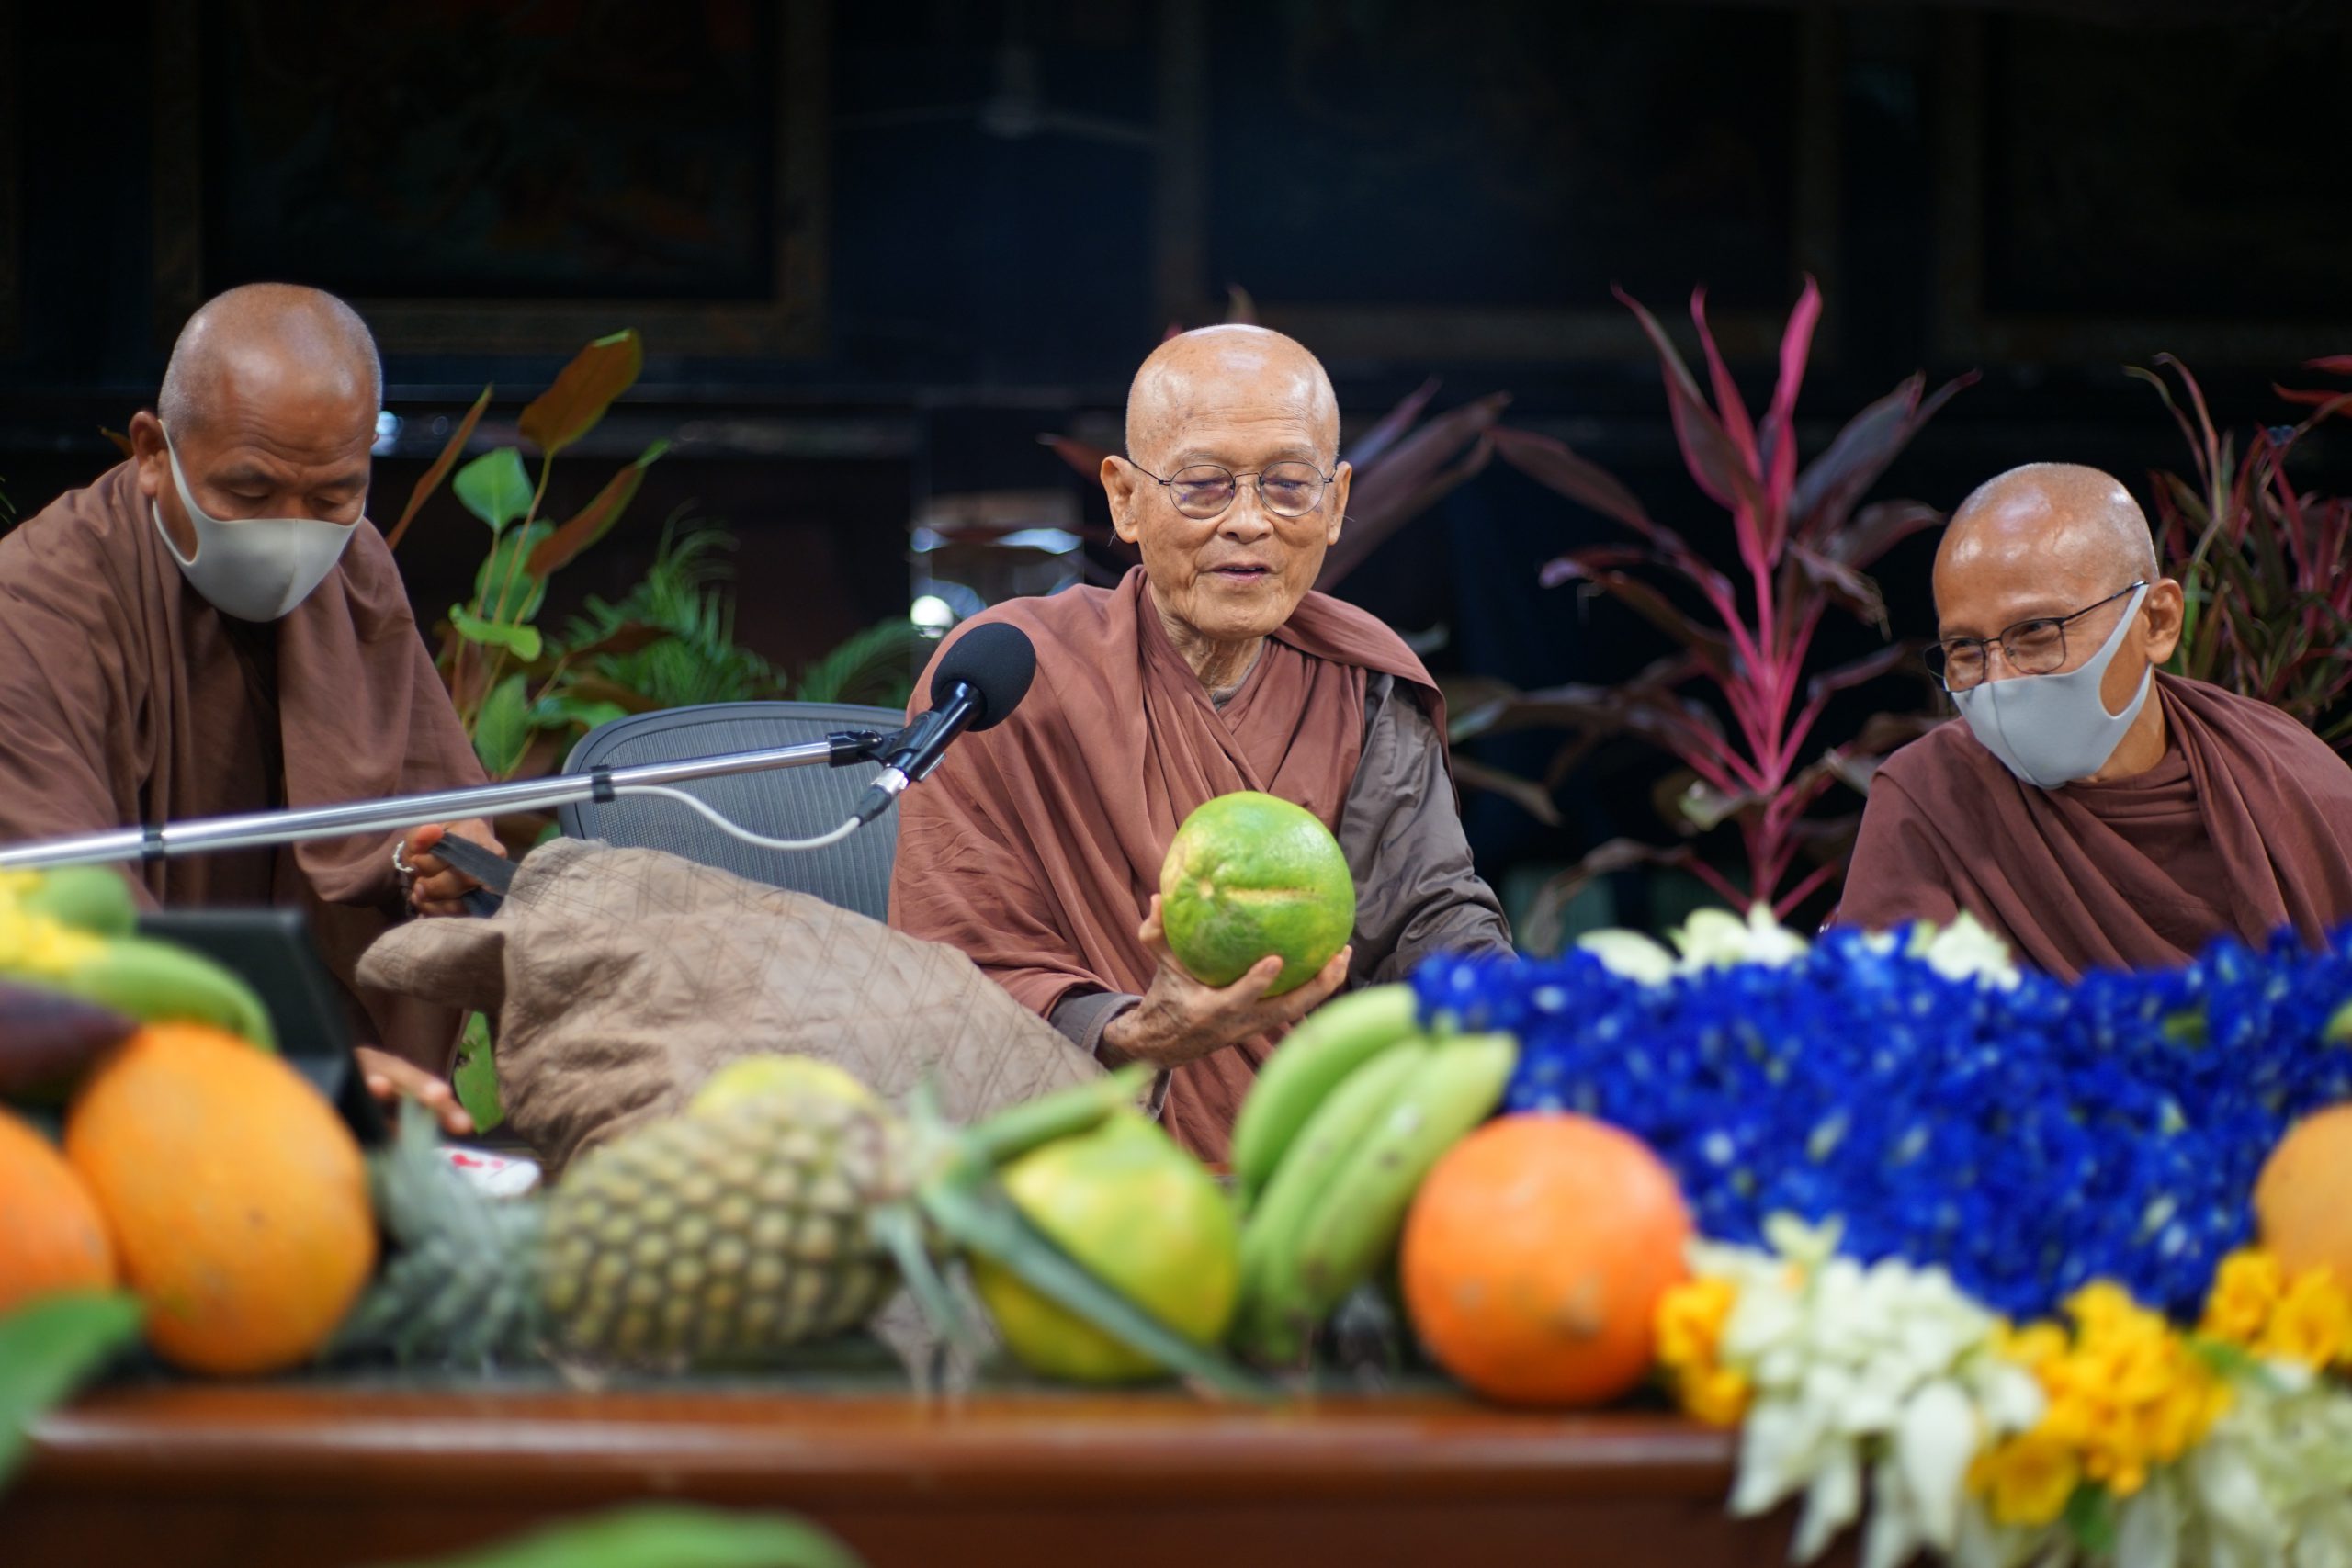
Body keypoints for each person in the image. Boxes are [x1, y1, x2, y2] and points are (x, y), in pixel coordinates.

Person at [890, 324, 1511, 1159]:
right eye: (1203, 484)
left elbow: (1427, 913)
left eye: (1288, 484)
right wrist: (1134, 1033)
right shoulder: (1014, 679)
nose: (1248, 522)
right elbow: (954, 977)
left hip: (1319, 1169)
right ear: (1124, 499)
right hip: (1068, 1171)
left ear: (1334, 504)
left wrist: (1523, 1017)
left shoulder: (1364, 684)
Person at [0, 283, 503, 1129]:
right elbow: (64, 906)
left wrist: (450, 859)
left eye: (333, 497)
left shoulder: (353, 567)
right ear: (152, 451)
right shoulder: (33, 604)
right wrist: (285, 1059)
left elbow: (430, 802)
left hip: (352, 1081)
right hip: (124, 1091)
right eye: (250, 491)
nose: (293, 533)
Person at [1838, 462, 2352, 977]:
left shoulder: (2297, 789)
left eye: (2036, 632)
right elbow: (1883, 1014)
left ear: (2157, 621)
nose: (1998, 680)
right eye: (1965, 649)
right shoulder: (1930, 795)